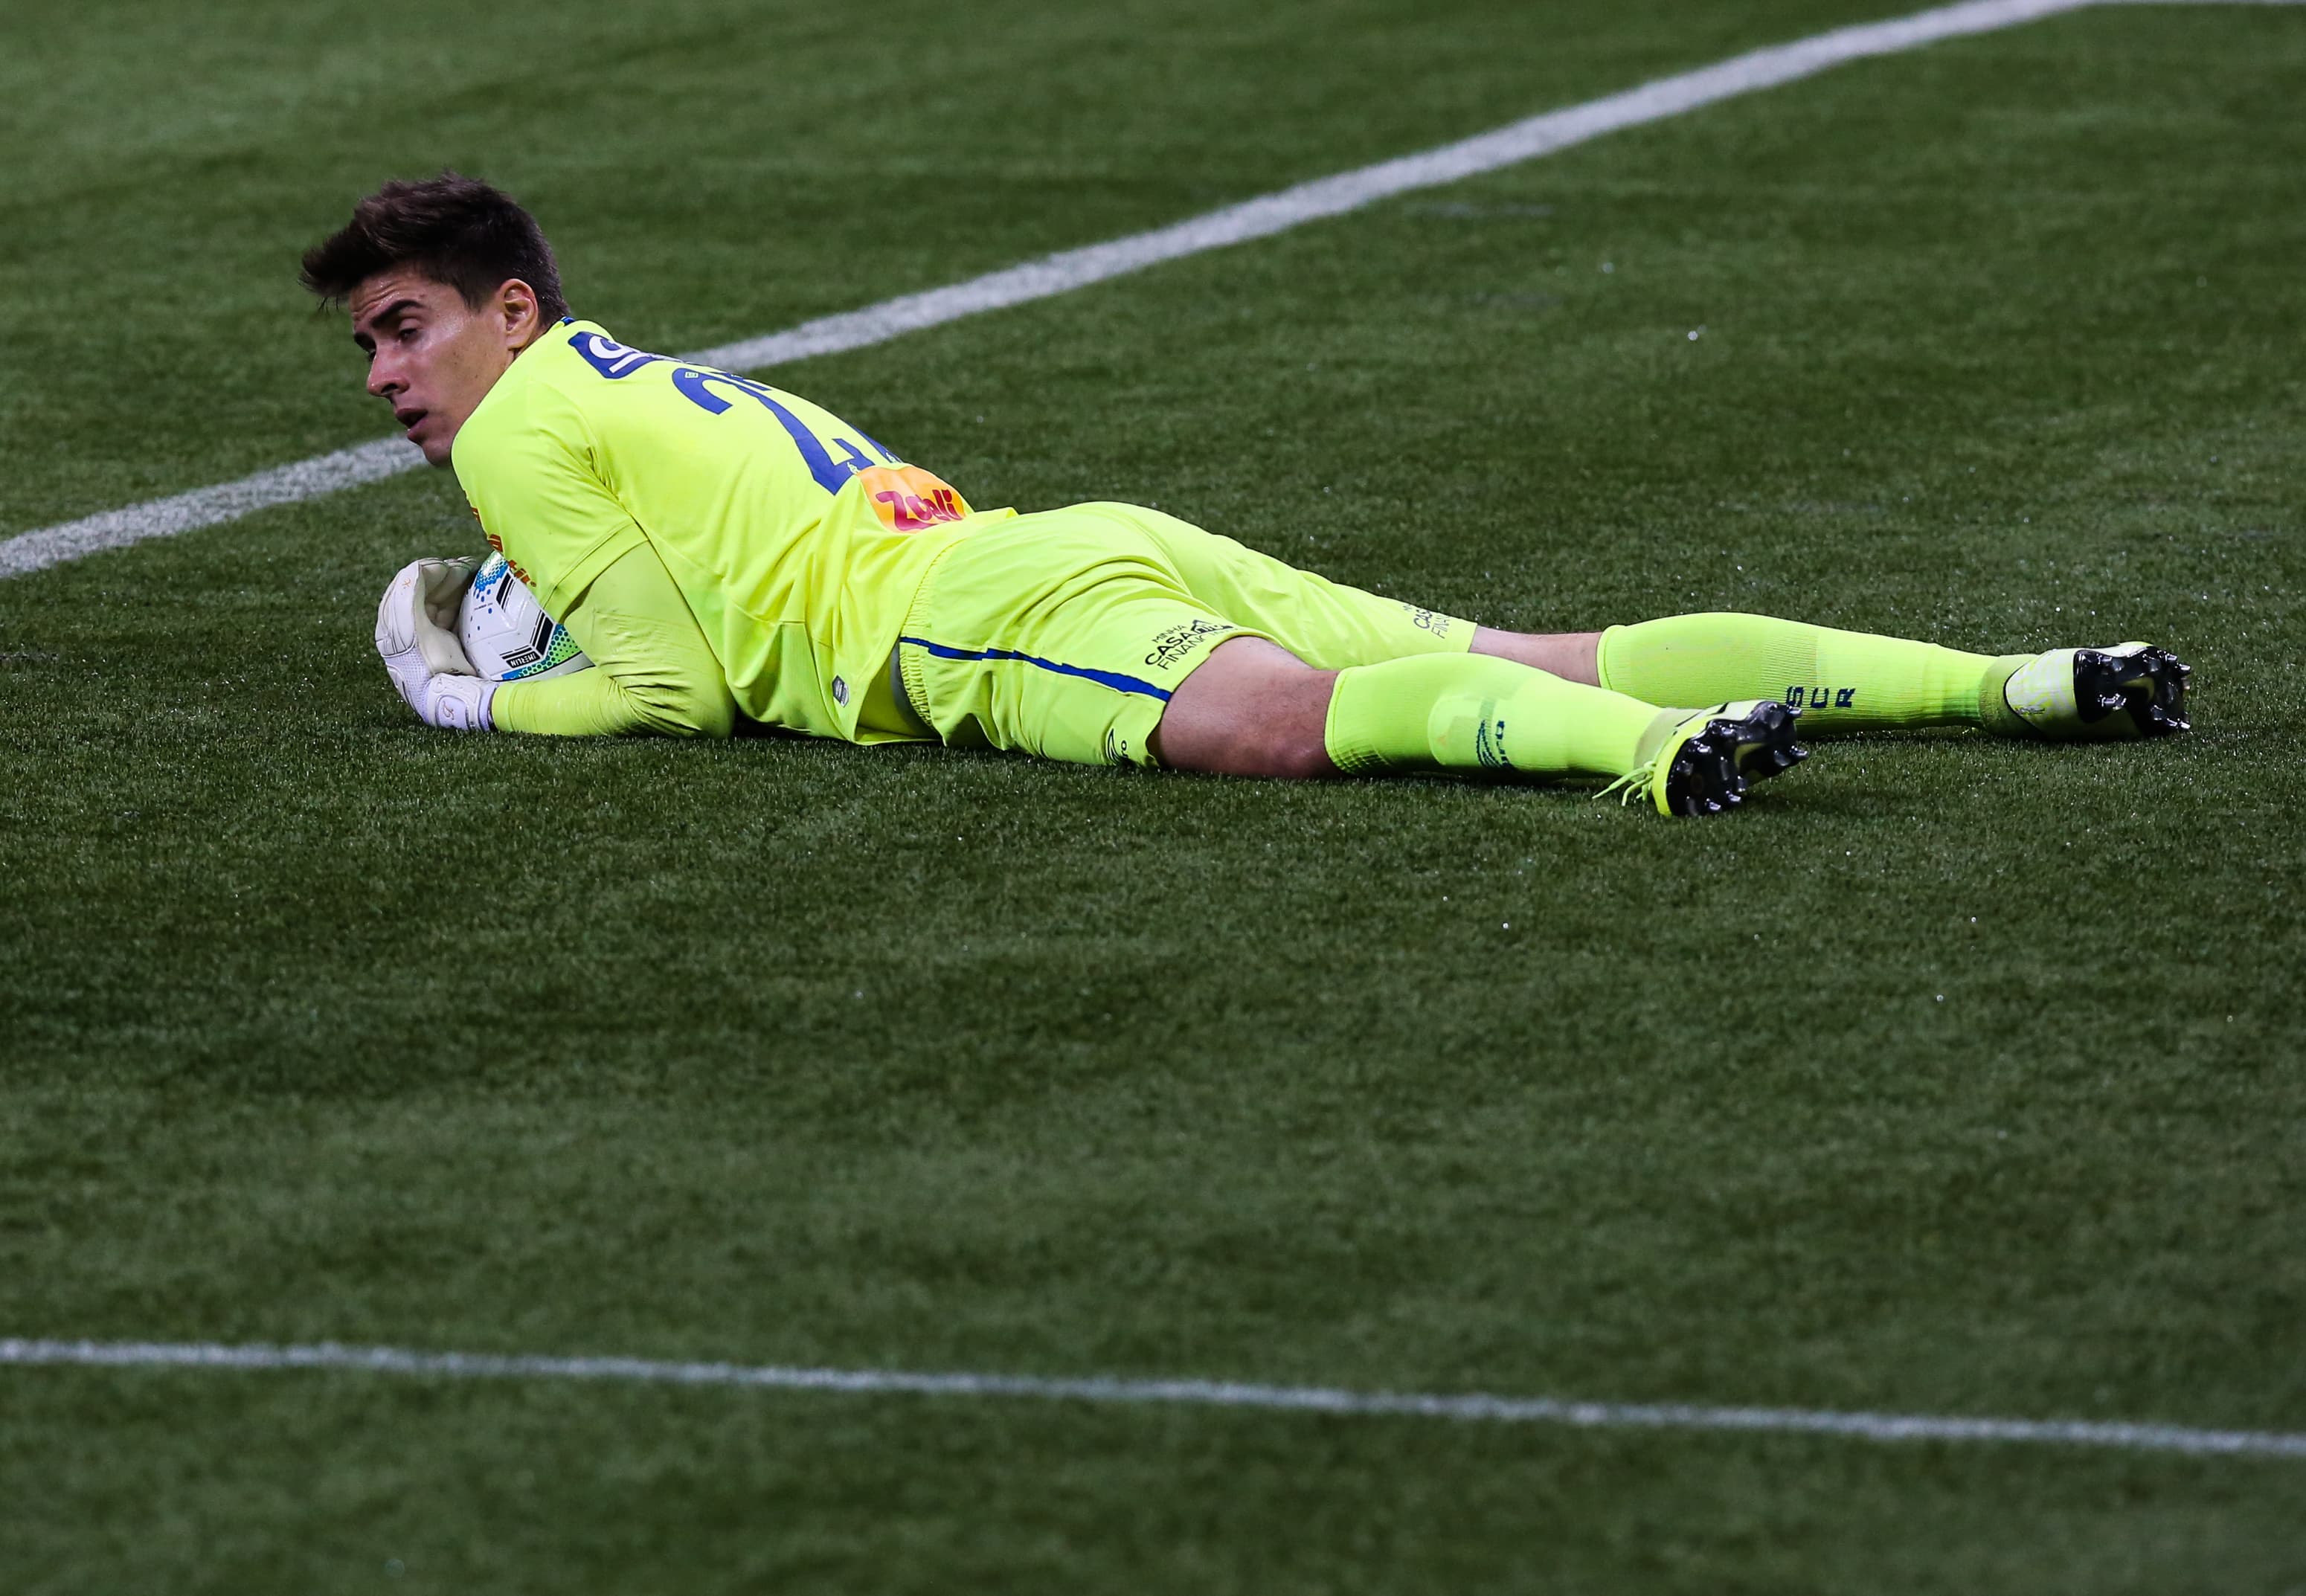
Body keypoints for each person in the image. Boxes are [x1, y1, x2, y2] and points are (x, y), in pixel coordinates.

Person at [303, 173, 2189, 817]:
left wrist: (472, 696)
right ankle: (2019, 678)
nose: (388, 376)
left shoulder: (515, 433)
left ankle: (1659, 752)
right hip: (1062, 540)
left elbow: (666, 692)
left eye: (406, 329)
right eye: (371, 346)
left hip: (967, 619)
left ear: (508, 311)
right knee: (1524, 643)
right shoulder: (618, 374)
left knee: (1285, 727)